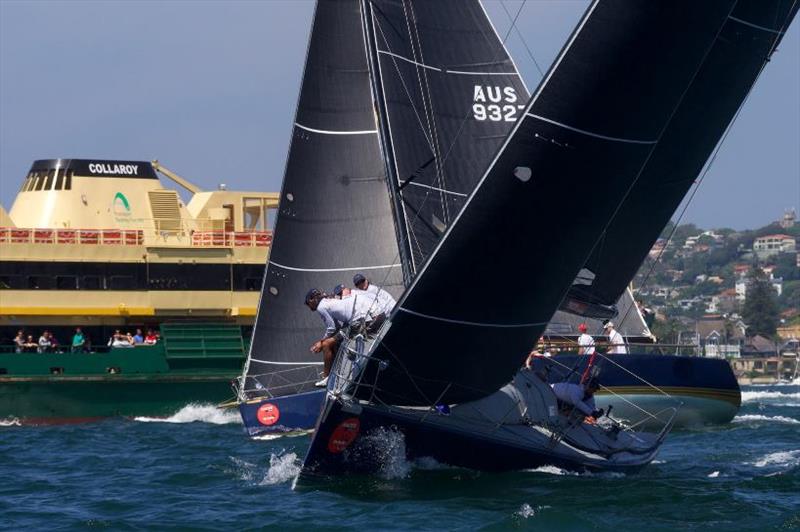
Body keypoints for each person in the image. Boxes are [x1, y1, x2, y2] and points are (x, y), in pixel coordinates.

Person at [305, 287, 381, 387]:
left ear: (311, 299)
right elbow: (336, 326)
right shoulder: (327, 301)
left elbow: (331, 327)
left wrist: (321, 341)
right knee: (331, 342)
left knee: (325, 345)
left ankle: (326, 377)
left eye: (307, 304)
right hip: (353, 322)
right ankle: (335, 372)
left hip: (355, 323)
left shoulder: (321, 307)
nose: (308, 307)